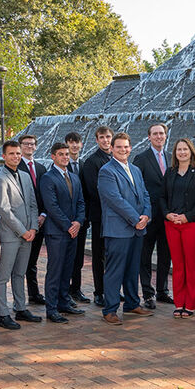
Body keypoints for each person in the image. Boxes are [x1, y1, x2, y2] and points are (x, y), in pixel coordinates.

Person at [97, 132, 154, 325]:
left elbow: (145, 195)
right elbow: (114, 200)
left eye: (126, 147)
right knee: (115, 270)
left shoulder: (136, 170)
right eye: (119, 147)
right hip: (119, 229)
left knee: (132, 269)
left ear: (131, 148)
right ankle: (110, 309)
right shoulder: (107, 171)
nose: (123, 150)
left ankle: (132, 304)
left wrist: (146, 215)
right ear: (112, 148)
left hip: (138, 228)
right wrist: (135, 218)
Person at [0, 140, 41, 330]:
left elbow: (33, 204)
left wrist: (33, 229)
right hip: (11, 235)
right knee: (4, 275)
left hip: (28, 234)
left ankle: (20, 308)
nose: (16, 157)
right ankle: (3, 314)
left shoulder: (25, 176)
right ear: (4, 156)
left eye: (18, 154)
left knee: (20, 273)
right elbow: (4, 211)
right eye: (11, 154)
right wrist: (22, 231)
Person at [161, 138, 195, 318]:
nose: (182, 152)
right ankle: (179, 302)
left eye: (185, 149)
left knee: (191, 264)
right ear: (175, 153)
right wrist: (167, 214)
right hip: (172, 224)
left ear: (191, 151)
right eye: (179, 150)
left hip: (192, 224)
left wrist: (187, 216)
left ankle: (190, 303)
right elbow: (162, 197)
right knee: (178, 265)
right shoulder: (170, 172)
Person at [40, 142, 86, 324]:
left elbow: (81, 202)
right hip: (57, 232)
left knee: (67, 269)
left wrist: (78, 222)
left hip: (72, 231)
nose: (65, 157)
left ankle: (63, 302)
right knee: (55, 271)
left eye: (67, 154)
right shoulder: (48, 178)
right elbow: (52, 206)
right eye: (61, 154)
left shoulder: (74, 177)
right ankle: (51, 309)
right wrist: (69, 225)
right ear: (53, 156)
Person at [133, 123, 173, 309]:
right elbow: (136, 188)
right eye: (155, 134)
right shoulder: (141, 159)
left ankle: (163, 291)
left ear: (165, 136)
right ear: (149, 137)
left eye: (161, 134)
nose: (159, 137)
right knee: (145, 256)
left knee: (166, 255)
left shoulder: (172, 158)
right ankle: (148, 294)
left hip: (168, 217)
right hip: (148, 217)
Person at [81, 126, 113, 307]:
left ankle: (112, 290)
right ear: (96, 140)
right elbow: (94, 191)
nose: (105, 140)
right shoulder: (91, 162)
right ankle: (99, 292)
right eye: (102, 137)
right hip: (100, 216)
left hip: (116, 217)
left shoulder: (116, 158)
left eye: (108, 137)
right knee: (99, 255)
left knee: (113, 255)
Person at [17, 134, 48, 306]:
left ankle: (34, 293)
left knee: (33, 260)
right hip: (22, 223)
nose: (29, 146)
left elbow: (45, 195)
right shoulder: (16, 167)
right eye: (26, 144)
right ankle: (19, 298)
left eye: (32, 143)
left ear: (36, 146)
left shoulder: (41, 168)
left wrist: (43, 215)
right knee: (21, 262)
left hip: (40, 222)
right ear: (20, 146)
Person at [65, 132, 91, 304]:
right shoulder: (62, 166)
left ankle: (76, 289)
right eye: (71, 143)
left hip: (81, 220)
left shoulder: (84, 165)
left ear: (81, 145)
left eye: (77, 142)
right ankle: (64, 291)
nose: (74, 146)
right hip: (65, 222)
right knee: (65, 258)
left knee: (79, 258)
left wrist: (83, 219)